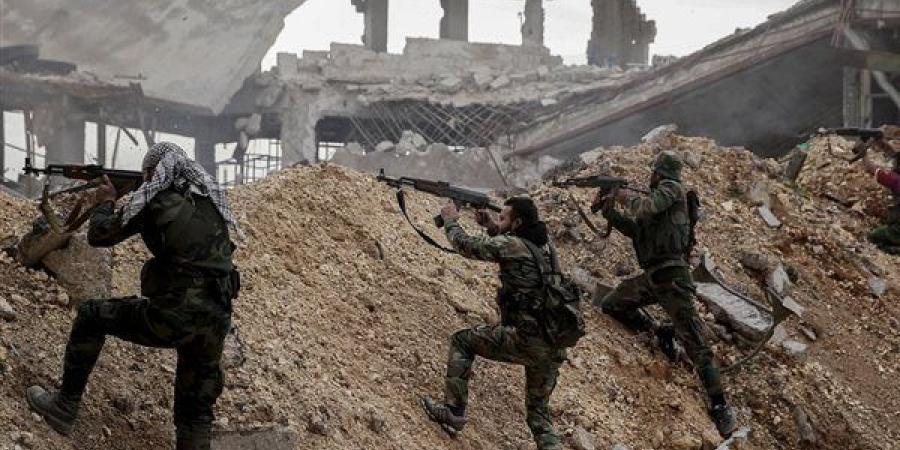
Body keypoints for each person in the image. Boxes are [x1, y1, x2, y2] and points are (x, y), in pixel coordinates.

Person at [25, 142, 240, 450]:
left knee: (91, 315)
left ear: (154, 173)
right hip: (216, 318)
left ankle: (63, 407)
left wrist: (106, 201)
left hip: (174, 316)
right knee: (195, 414)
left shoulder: (154, 200)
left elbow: (99, 235)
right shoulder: (208, 200)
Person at [593, 151, 737, 438]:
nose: (651, 176)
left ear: (659, 173)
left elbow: (644, 207)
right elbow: (635, 231)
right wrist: (608, 211)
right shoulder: (659, 206)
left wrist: (620, 195)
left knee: (696, 342)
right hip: (653, 277)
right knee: (611, 304)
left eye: (653, 172)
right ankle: (660, 331)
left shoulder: (671, 189)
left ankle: (720, 405)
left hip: (673, 278)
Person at [421, 197, 566, 450]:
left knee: (462, 341)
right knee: (538, 415)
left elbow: (466, 246)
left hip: (526, 340)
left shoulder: (512, 245)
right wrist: (493, 226)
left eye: (503, 217)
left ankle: (453, 411)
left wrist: (450, 221)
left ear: (517, 223)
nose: (499, 220)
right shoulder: (545, 246)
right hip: (554, 343)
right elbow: (513, 246)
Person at [862, 138, 900, 255]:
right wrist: (881, 142)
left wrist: (863, 154)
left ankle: (893, 249)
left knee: (874, 235)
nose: (893, 164)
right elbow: (893, 153)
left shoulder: (895, 180)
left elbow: (872, 169)